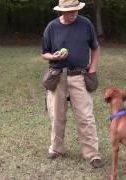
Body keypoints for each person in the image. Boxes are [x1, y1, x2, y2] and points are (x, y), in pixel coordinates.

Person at [41, 0, 103, 168]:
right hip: (57, 76)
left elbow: (95, 48)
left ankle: (92, 154)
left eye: (76, 10)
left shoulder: (86, 24)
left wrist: (92, 69)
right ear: (62, 11)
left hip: (80, 76)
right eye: (70, 11)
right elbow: (44, 53)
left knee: (86, 116)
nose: (74, 13)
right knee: (57, 116)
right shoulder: (52, 27)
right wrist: (53, 57)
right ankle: (56, 149)